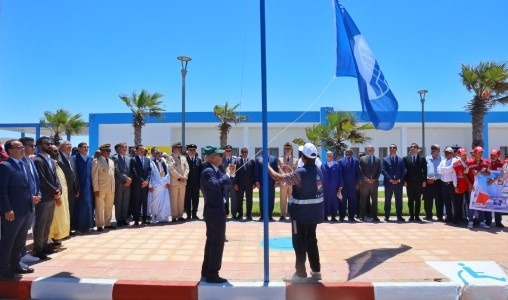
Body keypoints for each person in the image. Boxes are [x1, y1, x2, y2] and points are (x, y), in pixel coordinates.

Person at [268, 143, 323, 282]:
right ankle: (316, 271)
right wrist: (290, 172)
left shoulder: (300, 173)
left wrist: (266, 166)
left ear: (303, 157)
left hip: (300, 215)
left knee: (299, 243)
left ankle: (300, 274)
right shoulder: (317, 170)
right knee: (311, 241)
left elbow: (278, 178)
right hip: (314, 213)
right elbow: (299, 179)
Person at [0, 140, 38, 279]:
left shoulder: (24, 165)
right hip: (12, 212)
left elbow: (26, 186)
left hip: (26, 209)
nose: (23, 149)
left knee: (20, 241)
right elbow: (2, 191)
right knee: (8, 241)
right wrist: (7, 209)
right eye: (19, 147)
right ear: (10, 151)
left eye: (23, 147)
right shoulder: (5, 166)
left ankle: (15, 265)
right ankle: (3, 270)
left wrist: (32, 198)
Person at [200, 145, 235, 283]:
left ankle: (207, 270)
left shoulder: (215, 169)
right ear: (213, 157)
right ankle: (213, 273)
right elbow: (216, 185)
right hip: (214, 211)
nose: (223, 157)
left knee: (212, 241)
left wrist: (230, 174)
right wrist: (227, 175)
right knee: (216, 242)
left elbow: (225, 182)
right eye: (220, 155)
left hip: (216, 210)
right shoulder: (208, 171)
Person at [32, 136, 62, 259]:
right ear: (40, 146)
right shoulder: (38, 160)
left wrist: (59, 189)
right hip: (44, 197)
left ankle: (44, 246)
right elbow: (42, 179)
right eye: (47, 144)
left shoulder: (50, 160)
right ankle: (38, 249)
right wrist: (54, 190)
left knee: (47, 223)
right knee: (40, 224)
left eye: (50, 143)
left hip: (51, 197)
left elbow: (56, 178)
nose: (50, 145)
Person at [18, 137, 41, 265]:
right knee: (19, 231)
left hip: (34, 200)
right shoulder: (20, 162)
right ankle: (17, 257)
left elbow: (35, 180)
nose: (34, 148)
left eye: (34, 145)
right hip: (24, 202)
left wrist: (38, 194)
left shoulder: (31, 161)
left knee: (25, 230)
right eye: (31, 146)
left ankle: (22, 253)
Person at [465, 146, 490, 229]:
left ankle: (482, 221)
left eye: (481, 152)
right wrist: (470, 184)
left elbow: (488, 173)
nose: (481, 154)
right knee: (471, 204)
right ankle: (470, 221)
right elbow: (465, 174)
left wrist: (480, 172)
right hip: (473, 187)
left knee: (481, 204)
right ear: (475, 153)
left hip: (482, 187)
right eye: (479, 152)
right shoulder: (469, 162)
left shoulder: (486, 162)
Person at [92, 144, 116, 231]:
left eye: (109, 151)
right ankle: (99, 224)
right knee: (99, 207)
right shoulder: (96, 161)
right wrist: (96, 189)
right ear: (102, 151)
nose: (109, 152)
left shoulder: (111, 161)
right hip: (101, 188)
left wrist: (113, 188)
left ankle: (107, 223)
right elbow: (94, 177)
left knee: (109, 206)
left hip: (110, 188)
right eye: (107, 151)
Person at [48, 145, 70, 241]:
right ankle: (50, 239)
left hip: (62, 195)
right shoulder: (49, 163)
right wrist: (57, 195)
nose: (56, 153)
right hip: (54, 195)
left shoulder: (56, 163)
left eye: (57, 151)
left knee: (61, 217)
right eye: (54, 151)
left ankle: (57, 236)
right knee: (53, 219)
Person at [57, 140, 79, 235]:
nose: (70, 146)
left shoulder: (72, 158)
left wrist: (77, 188)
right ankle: (63, 231)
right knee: (64, 210)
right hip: (63, 189)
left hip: (72, 189)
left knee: (71, 209)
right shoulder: (58, 157)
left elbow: (75, 174)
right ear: (61, 147)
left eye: (70, 144)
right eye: (67, 144)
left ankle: (69, 229)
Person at [382, 144, 406, 222]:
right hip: (389, 183)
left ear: (396, 149)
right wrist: (390, 179)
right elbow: (383, 171)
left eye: (394, 148)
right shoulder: (385, 159)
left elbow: (404, 171)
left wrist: (399, 180)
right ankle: (387, 216)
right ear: (389, 149)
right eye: (391, 148)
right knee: (388, 200)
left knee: (399, 200)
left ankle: (399, 216)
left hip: (398, 183)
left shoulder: (401, 160)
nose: (392, 149)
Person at [403, 143, 427, 222]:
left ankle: (417, 216)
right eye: (411, 147)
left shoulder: (422, 159)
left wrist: (424, 181)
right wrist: (404, 180)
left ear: (417, 149)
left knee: (418, 200)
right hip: (409, 183)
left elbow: (425, 171)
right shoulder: (406, 158)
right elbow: (404, 170)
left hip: (418, 183)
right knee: (410, 200)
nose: (413, 148)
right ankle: (411, 216)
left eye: (414, 147)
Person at [73, 142, 94, 233]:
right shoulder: (74, 158)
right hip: (79, 185)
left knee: (89, 205)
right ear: (79, 149)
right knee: (79, 207)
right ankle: (78, 227)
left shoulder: (90, 159)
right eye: (84, 147)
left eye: (87, 147)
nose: (86, 148)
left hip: (89, 185)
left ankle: (88, 226)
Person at [359, 145, 381, 222]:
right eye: (369, 149)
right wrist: (365, 179)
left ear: (374, 150)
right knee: (363, 200)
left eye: (371, 149)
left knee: (374, 200)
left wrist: (375, 179)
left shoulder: (378, 160)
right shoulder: (362, 159)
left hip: (374, 184)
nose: (370, 150)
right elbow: (360, 170)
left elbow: (379, 171)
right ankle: (362, 216)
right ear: (367, 150)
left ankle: (375, 216)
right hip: (365, 183)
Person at [167, 142, 189, 222]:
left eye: (180, 148)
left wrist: (185, 177)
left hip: (183, 182)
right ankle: (174, 216)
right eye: (177, 148)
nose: (179, 149)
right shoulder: (170, 158)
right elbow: (171, 169)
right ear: (173, 148)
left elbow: (187, 168)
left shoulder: (183, 157)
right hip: (175, 181)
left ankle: (180, 215)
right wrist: (180, 177)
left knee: (181, 199)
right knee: (174, 199)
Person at [111, 142, 132, 227]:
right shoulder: (115, 158)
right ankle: (119, 219)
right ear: (119, 148)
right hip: (119, 183)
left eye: (126, 147)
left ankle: (124, 219)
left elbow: (131, 170)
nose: (125, 148)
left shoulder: (128, 158)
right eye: (123, 147)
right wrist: (126, 178)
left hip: (128, 184)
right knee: (119, 202)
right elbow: (116, 170)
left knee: (125, 202)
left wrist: (130, 179)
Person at [338, 148, 361, 222]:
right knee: (342, 202)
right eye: (347, 152)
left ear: (352, 153)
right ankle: (342, 217)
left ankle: (351, 216)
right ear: (345, 153)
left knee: (352, 202)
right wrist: (340, 185)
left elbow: (358, 174)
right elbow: (339, 174)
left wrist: (357, 183)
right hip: (343, 186)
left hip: (353, 186)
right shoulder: (340, 161)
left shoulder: (356, 161)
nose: (348, 153)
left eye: (350, 152)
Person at [148, 150, 171, 223]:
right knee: (155, 203)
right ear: (154, 155)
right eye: (157, 153)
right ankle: (154, 216)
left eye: (160, 153)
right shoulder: (151, 163)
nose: (159, 154)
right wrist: (150, 185)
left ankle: (163, 217)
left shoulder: (165, 163)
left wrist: (168, 182)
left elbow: (168, 174)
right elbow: (150, 175)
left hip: (164, 185)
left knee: (164, 202)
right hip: (155, 186)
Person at [130, 144, 151, 225]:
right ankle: (136, 219)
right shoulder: (133, 160)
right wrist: (142, 181)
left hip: (145, 184)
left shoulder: (147, 160)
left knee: (145, 202)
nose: (142, 150)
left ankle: (144, 219)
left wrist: (147, 181)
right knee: (137, 202)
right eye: (141, 149)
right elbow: (134, 172)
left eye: (143, 149)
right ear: (137, 150)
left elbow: (149, 171)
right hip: (137, 184)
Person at [278, 142, 299, 221]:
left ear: (291, 149)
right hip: (283, 182)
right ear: (284, 149)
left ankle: (291, 214)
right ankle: (282, 215)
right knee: (283, 198)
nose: (287, 150)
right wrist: (284, 176)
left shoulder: (295, 159)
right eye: (286, 148)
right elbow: (280, 170)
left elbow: (296, 171)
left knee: (291, 199)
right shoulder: (280, 159)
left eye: (289, 149)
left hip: (292, 183)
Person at [423, 144, 444, 221]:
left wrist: (434, 178)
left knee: (439, 199)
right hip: (428, 182)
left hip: (438, 182)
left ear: (439, 150)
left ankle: (440, 216)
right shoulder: (427, 159)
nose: (433, 149)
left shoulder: (443, 159)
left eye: (435, 148)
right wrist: (427, 178)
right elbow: (424, 170)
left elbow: (443, 172)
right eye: (432, 148)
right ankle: (428, 215)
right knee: (428, 199)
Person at [233, 147, 256, 220]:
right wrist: (235, 183)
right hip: (239, 184)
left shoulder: (252, 161)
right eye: (242, 152)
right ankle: (240, 214)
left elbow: (254, 173)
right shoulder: (237, 161)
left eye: (245, 152)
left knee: (249, 200)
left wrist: (254, 183)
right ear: (241, 153)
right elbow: (234, 173)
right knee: (239, 199)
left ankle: (249, 214)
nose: (244, 153)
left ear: (247, 153)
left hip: (249, 184)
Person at [255, 153, 279, 221]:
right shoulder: (258, 159)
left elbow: (276, 170)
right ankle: (262, 216)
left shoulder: (273, 159)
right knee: (262, 199)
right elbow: (256, 171)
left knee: (271, 199)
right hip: (262, 183)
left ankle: (270, 215)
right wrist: (257, 182)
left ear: (269, 150)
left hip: (271, 183)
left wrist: (276, 181)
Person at [437, 147, 458, 223]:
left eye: (448, 152)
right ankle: (449, 217)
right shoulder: (443, 161)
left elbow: (451, 168)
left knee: (454, 202)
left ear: (452, 153)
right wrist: (445, 169)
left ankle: (456, 218)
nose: (446, 154)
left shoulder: (455, 160)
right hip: (444, 184)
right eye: (445, 152)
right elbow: (438, 170)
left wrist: (444, 169)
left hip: (452, 184)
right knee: (447, 202)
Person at [321, 151, 342, 222]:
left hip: (334, 187)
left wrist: (340, 186)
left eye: (330, 155)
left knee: (334, 202)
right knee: (325, 202)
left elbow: (340, 176)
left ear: (332, 156)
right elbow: (320, 177)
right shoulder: (323, 165)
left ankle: (333, 216)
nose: (329, 156)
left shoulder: (337, 165)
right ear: (326, 156)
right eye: (327, 155)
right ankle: (325, 216)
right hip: (325, 188)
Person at [452, 148, 472, 225]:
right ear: (458, 155)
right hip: (460, 185)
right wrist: (455, 186)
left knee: (468, 202)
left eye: (465, 154)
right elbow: (454, 175)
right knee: (459, 203)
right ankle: (457, 218)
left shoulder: (469, 162)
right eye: (462, 155)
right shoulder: (456, 163)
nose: (464, 156)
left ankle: (466, 217)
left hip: (468, 185)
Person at [485, 149, 504, 227]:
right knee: (488, 203)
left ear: (498, 155)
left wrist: (494, 180)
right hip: (488, 187)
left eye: (494, 155)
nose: (492, 156)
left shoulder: (502, 164)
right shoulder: (487, 162)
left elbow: (504, 174)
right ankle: (488, 221)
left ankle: (498, 222)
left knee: (498, 204)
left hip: (498, 188)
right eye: (491, 155)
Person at [185, 144, 202, 220]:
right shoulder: (185, 159)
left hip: (196, 184)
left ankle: (194, 214)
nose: (192, 151)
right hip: (187, 183)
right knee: (187, 199)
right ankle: (188, 214)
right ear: (188, 151)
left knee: (196, 199)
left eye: (194, 150)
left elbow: (200, 172)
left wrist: (200, 184)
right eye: (191, 150)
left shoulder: (199, 160)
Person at [220, 145, 237, 218]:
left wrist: (236, 183)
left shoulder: (235, 159)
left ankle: (234, 214)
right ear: (224, 152)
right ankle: (225, 214)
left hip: (233, 183)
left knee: (234, 199)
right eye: (227, 150)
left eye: (230, 150)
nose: (228, 152)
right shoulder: (221, 160)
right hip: (225, 184)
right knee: (225, 199)